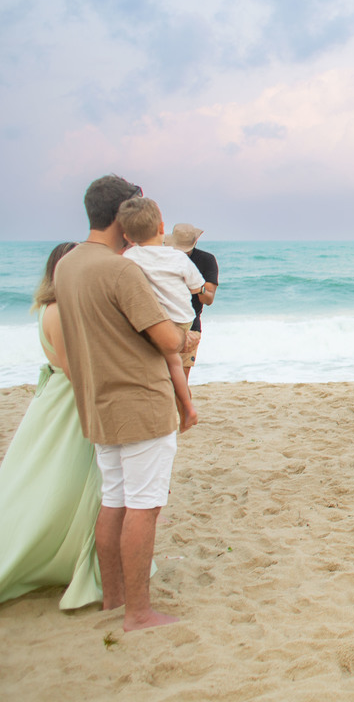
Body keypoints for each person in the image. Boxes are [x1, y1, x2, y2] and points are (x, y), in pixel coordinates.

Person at [55, 174, 198, 632]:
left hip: (98, 400)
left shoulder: (68, 265)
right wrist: (183, 336)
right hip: (139, 399)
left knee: (114, 500)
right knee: (144, 505)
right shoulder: (120, 270)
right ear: (123, 214)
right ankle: (138, 612)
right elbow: (165, 338)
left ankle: (113, 598)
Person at [0, 242, 104, 609]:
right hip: (68, 402)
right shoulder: (58, 311)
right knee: (64, 478)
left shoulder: (53, 307)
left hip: (59, 398)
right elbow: (74, 370)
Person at [118, 198, 204, 432]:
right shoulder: (177, 257)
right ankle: (187, 408)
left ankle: (184, 409)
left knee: (169, 362)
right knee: (174, 363)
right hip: (183, 318)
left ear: (127, 236)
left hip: (157, 320)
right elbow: (196, 286)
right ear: (162, 228)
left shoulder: (129, 257)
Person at [165, 223, 218, 381]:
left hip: (190, 327)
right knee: (162, 380)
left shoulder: (206, 260)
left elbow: (208, 299)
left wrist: (198, 288)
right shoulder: (164, 258)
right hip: (162, 324)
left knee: (180, 381)